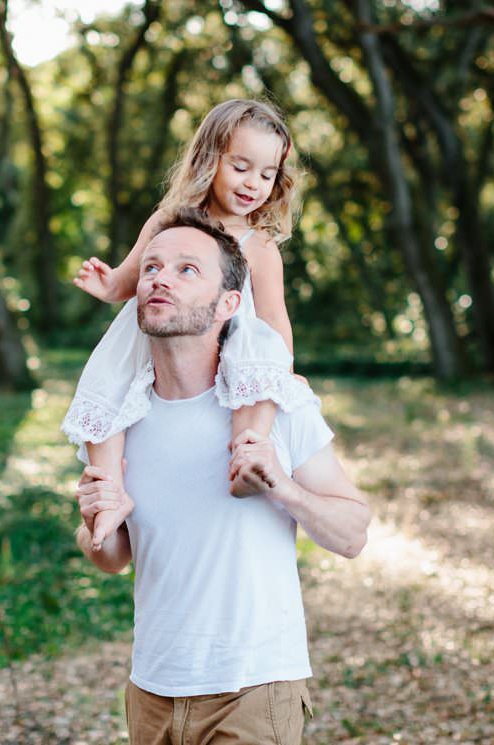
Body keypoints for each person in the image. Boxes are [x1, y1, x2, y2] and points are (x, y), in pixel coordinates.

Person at [74, 214, 370, 744]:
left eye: (187, 269)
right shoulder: (120, 419)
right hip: (152, 692)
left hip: (253, 689)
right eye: (151, 267)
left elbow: (353, 534)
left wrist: (281, 484)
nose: (160, 278)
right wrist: (97, 524)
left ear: (230, 304)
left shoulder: (276, 408)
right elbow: (110, 559)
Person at [66, 99, 321, 547]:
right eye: (241, 166)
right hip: (158, 336)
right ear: (210, 159)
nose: (253, 184)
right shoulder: (168, 220)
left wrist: (283, 372)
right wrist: (106, 286)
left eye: (267, 174)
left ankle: (247, 459)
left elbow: (274, 316)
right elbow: (129, 281)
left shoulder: (258, 245)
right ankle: (109, 495)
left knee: (260, 362)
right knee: (106, 382)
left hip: (231, 341)